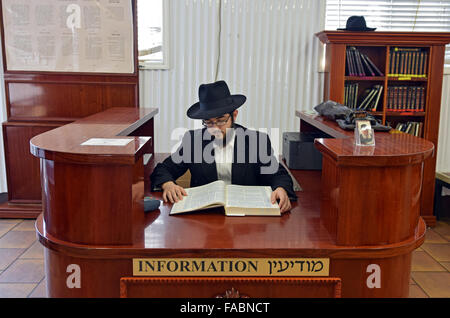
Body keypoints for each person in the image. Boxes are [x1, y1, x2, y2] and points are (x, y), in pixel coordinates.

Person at [150, 80, 296, 213]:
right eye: (209, 122)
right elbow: (164, 169)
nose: (215, 128)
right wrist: (167, 184)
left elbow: (279, 174)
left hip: (247, 218)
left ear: (234, 115)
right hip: (205, 216)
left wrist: (281, 188)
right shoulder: (193, 140)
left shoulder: (256, 141)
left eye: (221, 121)